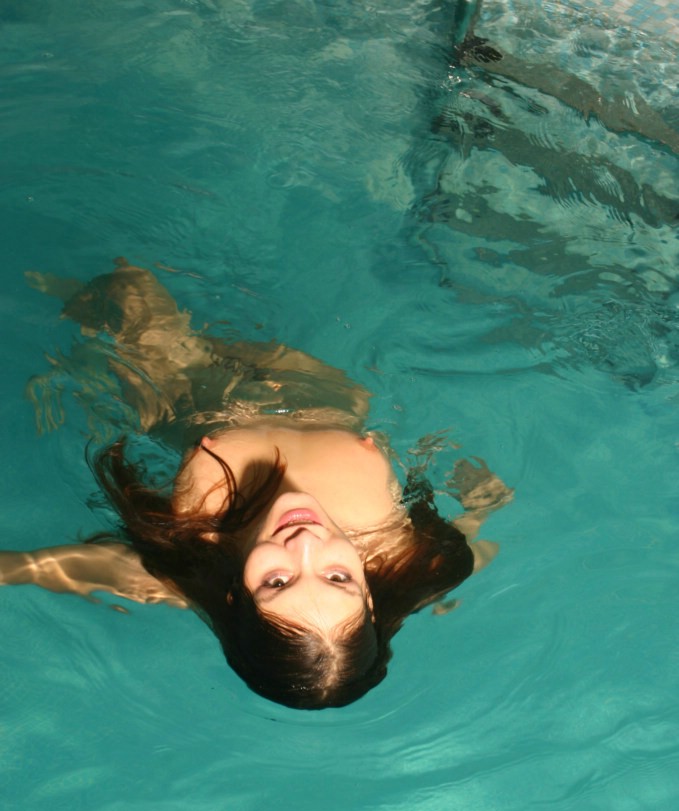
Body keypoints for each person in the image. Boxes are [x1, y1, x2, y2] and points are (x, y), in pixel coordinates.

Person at [1, 260, 512, 709]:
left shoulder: (199, 553)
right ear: (371, 597)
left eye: (277, 582)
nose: (306, 546)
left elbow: (49, 568)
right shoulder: (401, 557)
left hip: (186, 387)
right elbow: (464, 553)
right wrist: (477, 503)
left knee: (129, 281)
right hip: (313, 382)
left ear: (234, 601)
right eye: (338, 579)